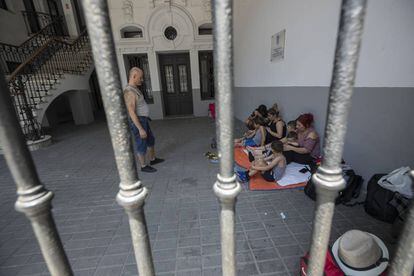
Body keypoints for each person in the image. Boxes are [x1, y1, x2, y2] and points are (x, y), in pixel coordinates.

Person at [124, 67, 164, 173]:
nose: (142, 80)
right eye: (140, 78)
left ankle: (153, 159)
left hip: (144, 120)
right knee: (141, 143)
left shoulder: (135, 89)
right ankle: (143, 166)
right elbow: (131, 112)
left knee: (151, 140)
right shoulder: (129, 92)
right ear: (133, 76)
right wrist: (140, 129)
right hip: (139, 122)